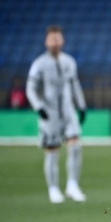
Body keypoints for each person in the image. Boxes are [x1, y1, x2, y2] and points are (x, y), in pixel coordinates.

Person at [26, 26, 87, 204]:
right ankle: (53, 189)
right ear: (46, 42)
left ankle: (72, 185)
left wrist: (81, 106)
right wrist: (38, 107)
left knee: (75, 145)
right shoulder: (39, 64)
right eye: (52, 39)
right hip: (49, 113)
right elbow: (30, 88)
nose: (55, 43)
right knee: (52, 151)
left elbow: (75, 86)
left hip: (68, 111)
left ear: (62, 40)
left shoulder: (69, 62)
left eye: (58, 39)